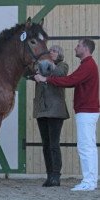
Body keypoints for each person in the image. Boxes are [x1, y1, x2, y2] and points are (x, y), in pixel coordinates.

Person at [34, 38, 99, 191]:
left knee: (86, 147)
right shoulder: (87, 65)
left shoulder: (88, 65)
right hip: (86, 110)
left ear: (86, 48)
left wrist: (45, 79)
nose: (75, 48)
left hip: (87, 110)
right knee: (87, 146)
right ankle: (90, 180)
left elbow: (70, 80)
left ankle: (89, 182)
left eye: (78, 46)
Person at [32, 45, 69, 187]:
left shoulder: (62, 65)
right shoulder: (41, 66)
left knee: (54, 144)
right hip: (41, 110)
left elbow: (60, 73)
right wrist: (35, 73)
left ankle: (56, 176)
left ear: (59, 54)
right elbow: (27, 74)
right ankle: (49, 175)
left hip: (55, 111)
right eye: (50, 51)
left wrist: (49, 64)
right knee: (46, 145)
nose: (50, 52)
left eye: (53, 51)